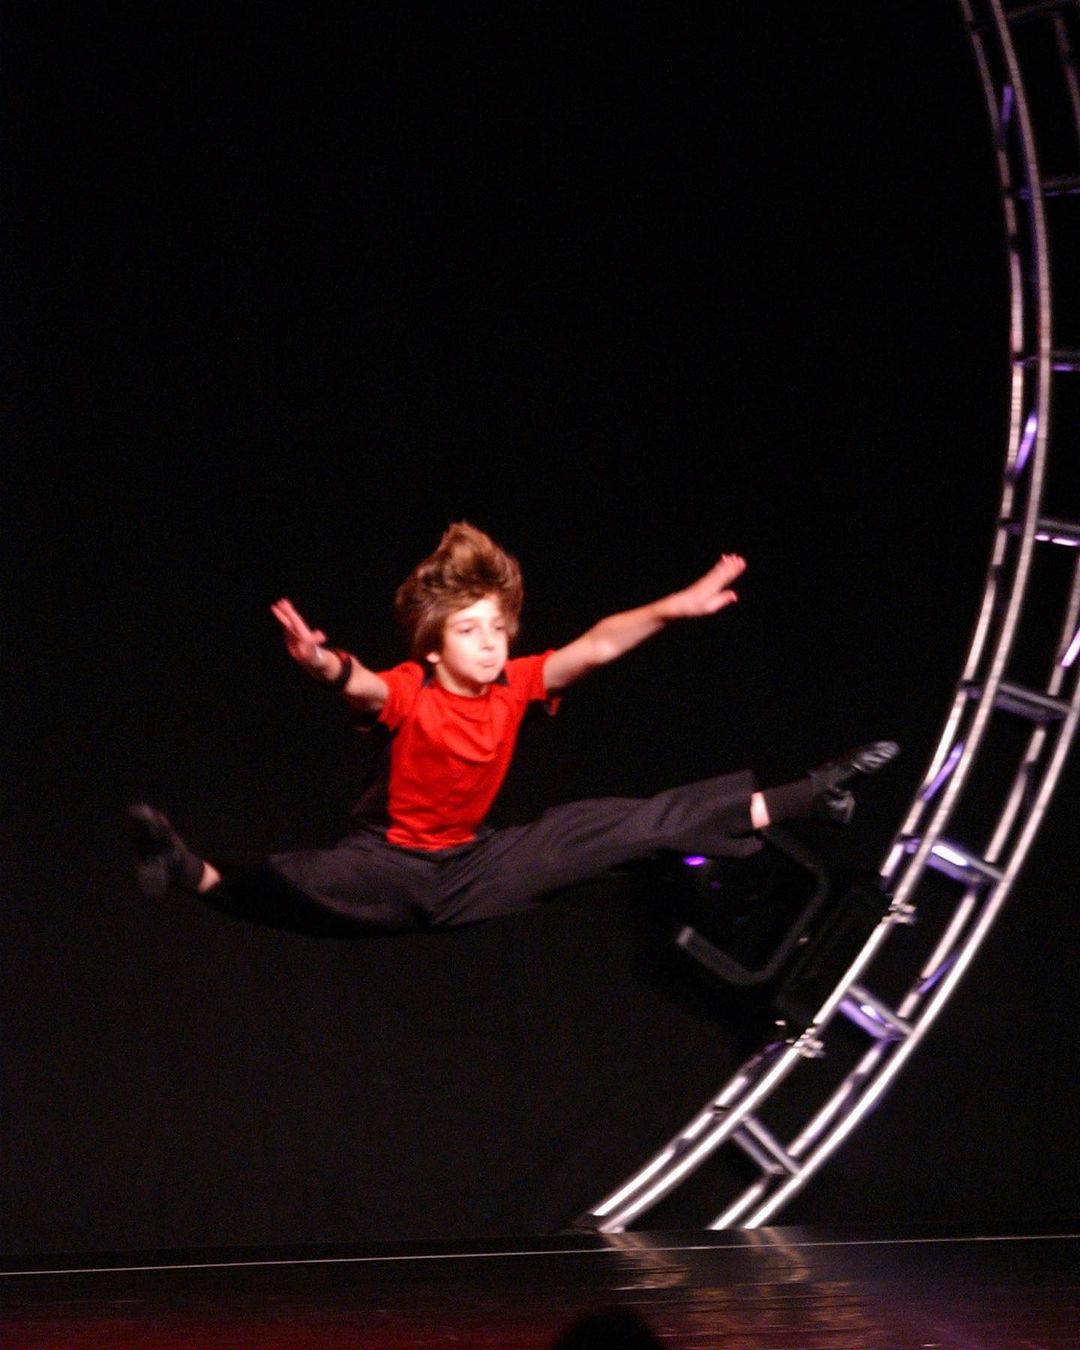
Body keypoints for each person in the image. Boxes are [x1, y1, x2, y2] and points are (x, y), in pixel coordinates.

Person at [127, 522, 898, 933]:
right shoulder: (412, 691)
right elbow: (359, 684)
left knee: (621, 827)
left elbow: (597, 645)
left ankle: (811, 794)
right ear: (435, 646)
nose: (491, 642)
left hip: (478, 865)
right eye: (470, 630)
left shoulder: (516, 683)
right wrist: (320, 663)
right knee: (300, 885)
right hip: (390, 863)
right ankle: (188, 870)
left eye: (497, 627)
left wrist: (677, 606)